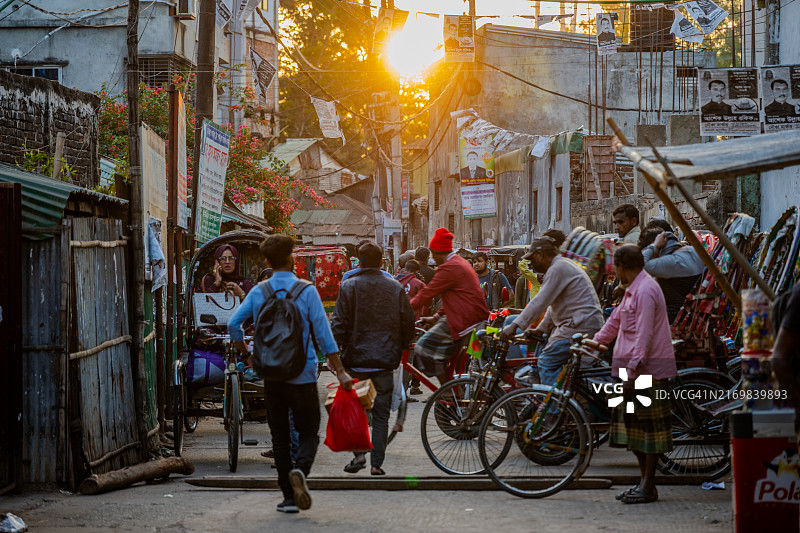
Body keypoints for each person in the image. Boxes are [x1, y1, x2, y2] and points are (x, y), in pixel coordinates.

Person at [228, 235, 353, 514]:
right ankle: (302, 471)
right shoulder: (306, 291)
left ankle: (288, 497)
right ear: (291, 259)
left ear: (267, 262)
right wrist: (341, 371)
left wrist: (246, 355)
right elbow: (324, 335)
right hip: (304, 373)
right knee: (309, 432)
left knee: (280, 438)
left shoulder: (259, 291)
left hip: (271, 374)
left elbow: (234, 324)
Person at [592, 245, 677, 505]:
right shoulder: (631, 290)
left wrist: (631, 374)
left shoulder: (647, 290)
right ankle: (643, 483)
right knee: (633, 432)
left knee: (648, 432)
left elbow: (644, 335)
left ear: (620, 267)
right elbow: (615, 322)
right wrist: (592, 343)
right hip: (628, 372)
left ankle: (648, 484)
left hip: (645, 372)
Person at [331, 241, 416, 476]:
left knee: (355, 410)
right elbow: (407, 321)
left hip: (355, 360)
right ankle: (376, 464)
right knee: (380, 415)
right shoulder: (395, 286)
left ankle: (359, 456)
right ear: (382, 262)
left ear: (358, 260)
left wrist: (334, 353)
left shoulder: (349, 286)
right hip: (385, 360)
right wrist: (402, 345)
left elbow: (339, 323)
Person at [499, 236, 604, 386]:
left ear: (539, 256)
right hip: (578, 324)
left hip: (579, 326)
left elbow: (539, 302)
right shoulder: (560, 266)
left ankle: (552, 406)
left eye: (532, 260)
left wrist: (514, 326)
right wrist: (541, 329)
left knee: (545, 362)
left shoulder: (558, 268)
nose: (532, 266)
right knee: (541, 347)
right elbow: (552, 306)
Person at [409, 228, 489, 384]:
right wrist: (436, 316)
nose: (432, 257)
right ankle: (449, 391)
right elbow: (455, 298)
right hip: (470, 316)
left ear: (439, 253)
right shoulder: (460, 262)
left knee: (423, 347)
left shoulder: (449, 268)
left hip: (463, 320)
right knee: (442, 357)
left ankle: (447, 391)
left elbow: (426, 294)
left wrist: (402, 311)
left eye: (433, 253)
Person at [639, 228, 704, 323]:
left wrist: (654, 246)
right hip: (694, 310)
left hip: (677, 314)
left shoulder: (673, 261)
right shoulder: (692, 250)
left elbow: (639, 264)